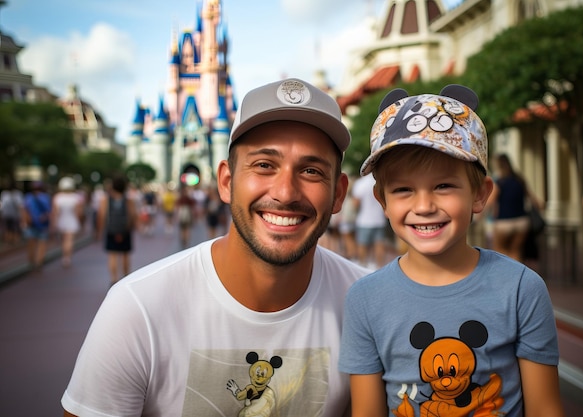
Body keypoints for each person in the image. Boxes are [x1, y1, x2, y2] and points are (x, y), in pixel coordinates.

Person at [61, 78, 369, 417]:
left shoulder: (366, 307)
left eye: (311, 171)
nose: (285, 192)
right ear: (226, 181)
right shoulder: (138, 310)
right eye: (264, 165)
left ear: (339, 193)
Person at [339, 86, 563, 417]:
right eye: (403, 190)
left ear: (479, 194)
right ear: (382, 201)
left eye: (443, 186)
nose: (425, 206)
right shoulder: (365, 300)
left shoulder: (521, 289)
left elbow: (546, 409)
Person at [487, 153, 542, 262]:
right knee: (516, 252)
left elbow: (490, 202)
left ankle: (503, 278)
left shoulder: (499, 182)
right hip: (521, 222)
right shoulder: (519, 180)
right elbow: (534, 199)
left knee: (500, 253)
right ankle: (516, 278)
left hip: (503, 223)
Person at [97, 175, 137, 286]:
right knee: (125, 255)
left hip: (111, 230)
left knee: (112, 255)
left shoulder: (106, 200)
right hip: (125, 231)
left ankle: (114, 279)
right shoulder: (128, 201)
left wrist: (100, 231)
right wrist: (132, 226)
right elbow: (133, 215)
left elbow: (102, 215)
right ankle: (126, 277)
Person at [352, 172, 389, 268]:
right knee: (379, 244)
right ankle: (379, 266)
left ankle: (362, 266)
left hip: (364, 220)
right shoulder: (380, 183)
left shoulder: (360, 183)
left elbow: (355, 204)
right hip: (379, 219)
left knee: (362, 244)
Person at [51, 176, 84, 267]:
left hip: (61, 220)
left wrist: (54, 223)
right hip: (72, 220)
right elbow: (79, 212)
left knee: (63, 240)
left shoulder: (57, 197)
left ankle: (64, 256)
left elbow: (55, 212)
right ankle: (67, 257)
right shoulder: (76, 197)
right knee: (69, 240)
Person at [21, 181, 51, 270]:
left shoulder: (28, 197)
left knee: (31, 243)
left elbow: (24, 210)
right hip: (43, 224)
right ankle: (39, 261)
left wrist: (24, 220)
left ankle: (31, 261)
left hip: (31, 223)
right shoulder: (46, 197)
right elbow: (49, 212)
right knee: (42, 243)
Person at [1, 180, 24, 245]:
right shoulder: (17, 194)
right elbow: (20, 205)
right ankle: (13, 242)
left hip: (6, 214)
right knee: (14, 229)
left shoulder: (4, 193)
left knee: (8, 228)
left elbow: (2, 204)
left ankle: (9, 242)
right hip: (14, 215)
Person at [176, 184, 196, 248]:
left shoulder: (181, 198)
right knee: (186, 228)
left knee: (184, 228)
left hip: (183, 213)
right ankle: (185, 240)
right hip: (186, 214)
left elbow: (177, 207)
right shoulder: (187, 198)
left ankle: (184, 240)